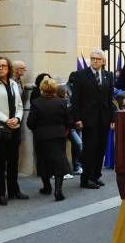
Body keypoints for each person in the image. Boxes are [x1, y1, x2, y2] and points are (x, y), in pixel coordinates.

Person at [0, 56, 26, 205]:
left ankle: (14, 190)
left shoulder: (14, 83)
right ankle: (0, 193)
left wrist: (17, 119)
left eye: (4, 66)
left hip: (14, 127)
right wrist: (6, 119)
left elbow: (20, 105)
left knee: (14, 161)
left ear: (9, 68)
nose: (1, 68)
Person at [70, 49, 114, 190]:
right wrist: (77, 118)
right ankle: (86, 179)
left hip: (104, 119)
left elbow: (110, 99)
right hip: (88, 119)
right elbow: (75, 99)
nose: (94, 61)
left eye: (97, 58)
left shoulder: (108, 76)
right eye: (92, 58)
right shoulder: (81, 75)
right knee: (89, 149)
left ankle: (96, 176)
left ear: (103, 61)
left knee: (100, 148)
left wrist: (112, 118)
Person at [27, 77, 72, 201]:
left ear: (42, 88)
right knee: (59, 163)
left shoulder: (36, 103)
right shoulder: (62, 102)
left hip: (41, 137)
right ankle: (58, 190)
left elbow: (30, 123)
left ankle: (46, 187)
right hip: (58, 136)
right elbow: (69, 121)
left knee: (43, 162)